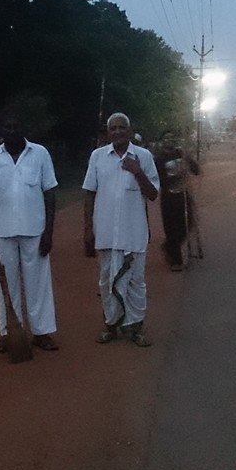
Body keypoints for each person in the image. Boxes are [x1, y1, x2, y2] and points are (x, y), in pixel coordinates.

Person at [0, 111, 59, 352]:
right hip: (3, 230)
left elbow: (50, 192)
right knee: (6, 284)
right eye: (8, 127)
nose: (12, 131)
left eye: (16, 127)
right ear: (1, 131)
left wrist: (48, 233)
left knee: (38, 283)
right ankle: (9, 333)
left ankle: (41, 332)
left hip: (35, 229)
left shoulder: (40, 153)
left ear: (24, 129)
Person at [83, 112, 160, 347]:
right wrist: (88, 229)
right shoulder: (98, 156)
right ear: (108, 133)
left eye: (121, 127)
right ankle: (111, 325)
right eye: (113, 128)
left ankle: (136, 327)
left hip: (134, 232)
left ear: (130, 130)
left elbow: (153, 194)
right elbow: (89, 193)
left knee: (136, 282)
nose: (117, 132)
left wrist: (137, 171)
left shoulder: (143, 156)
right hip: (106, 232)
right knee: (106, 281)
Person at [153, 133, 201, 271]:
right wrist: (175, 177)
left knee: (187, 224)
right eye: (166, 138)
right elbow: (157, 180)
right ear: (162, 142)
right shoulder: (159, 159)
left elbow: (196, 170)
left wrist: (188, 159)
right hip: (168, 197)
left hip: (183, 195)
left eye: (171, 138)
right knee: (171, 228)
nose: (169, 141)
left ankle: (169, 247)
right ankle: (175, 259)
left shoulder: (181, 154)